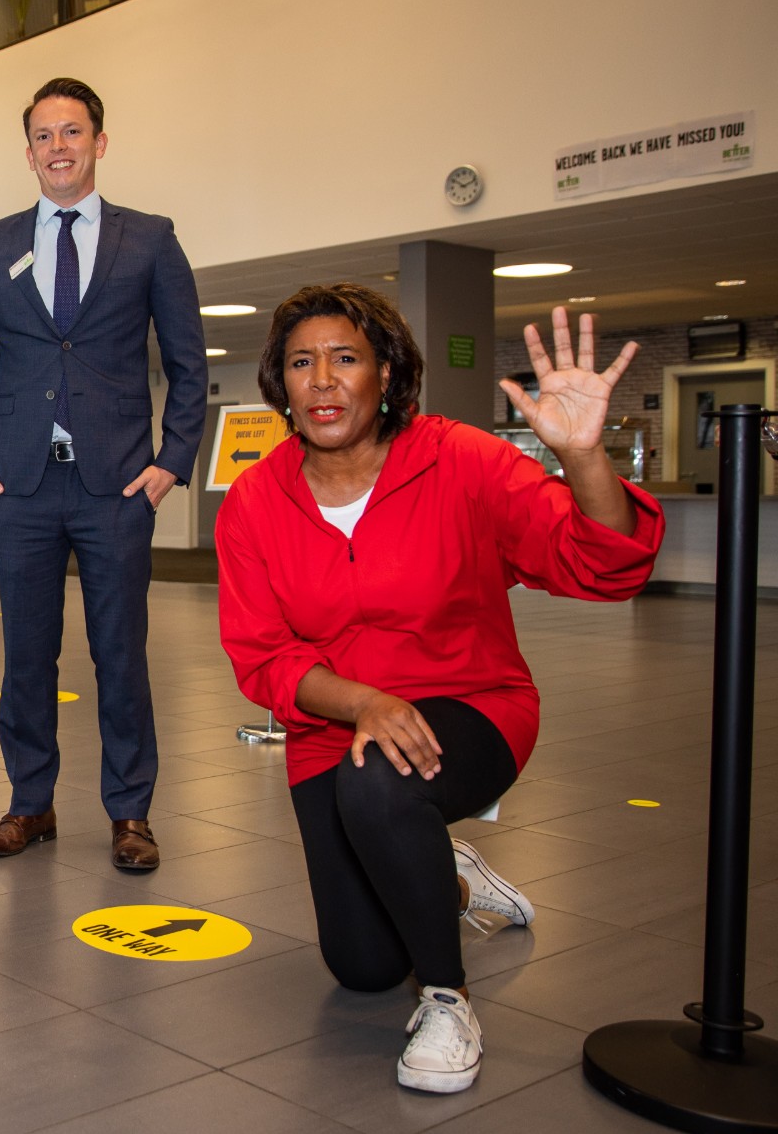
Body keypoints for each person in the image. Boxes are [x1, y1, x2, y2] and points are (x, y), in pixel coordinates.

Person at [216, 286, 664, 1093]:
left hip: (474, 703)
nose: (322, 380)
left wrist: (584, 456)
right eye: (300, 363)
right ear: (279, 385)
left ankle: (447, 997)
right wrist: (362, 702)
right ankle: (450, 877)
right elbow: (262, 655)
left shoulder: (461, 459)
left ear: (385, 373)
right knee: (360, 966)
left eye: (345, 358)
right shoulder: (254, 501)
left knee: (379, 784)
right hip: (332, 729)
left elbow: (603, 565)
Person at [0, 76, 207, 871]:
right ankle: (30, 803)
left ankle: (131, 813)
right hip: (18, 487)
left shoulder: (150, 238)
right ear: (29, 152)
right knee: (26, 655)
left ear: (99, 142)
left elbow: (188, 367)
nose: (59, 146)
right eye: (45, 135)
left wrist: (169, 465)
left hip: (120, 486)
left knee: (120, 652)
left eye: (73, 132)